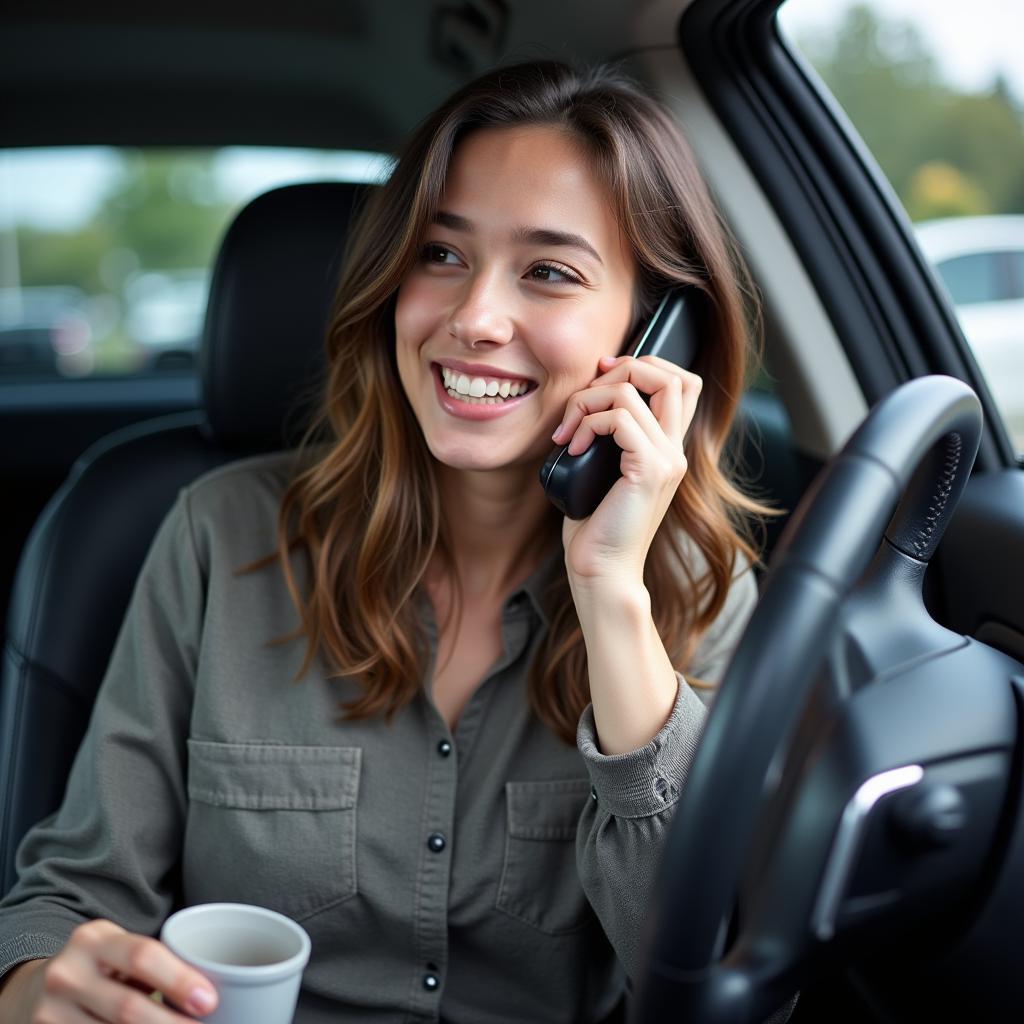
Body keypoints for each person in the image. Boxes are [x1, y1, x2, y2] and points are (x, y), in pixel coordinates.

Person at [0, 61, 767, 1022]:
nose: (475, 319)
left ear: (661, 334)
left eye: (550, 272)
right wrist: (36, 991)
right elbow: (72, 896)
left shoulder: (700, 593)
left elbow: (707, 982)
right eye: (441, 255)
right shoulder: (220, 537)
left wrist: (612, 591)